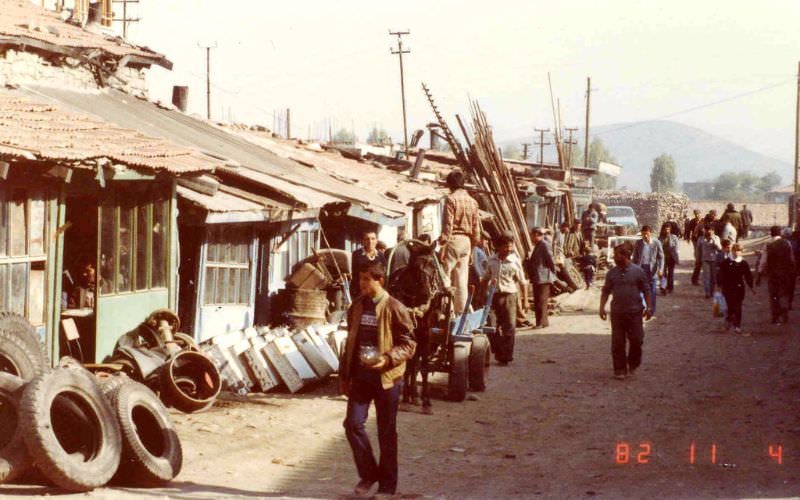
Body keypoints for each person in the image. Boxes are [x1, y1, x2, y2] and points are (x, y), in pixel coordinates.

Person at [340, 262, 416, 498]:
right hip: (361, 378)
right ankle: (369, 473)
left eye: (366, 279)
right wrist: (344, 375)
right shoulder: (357, 306)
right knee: (352, 424)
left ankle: (387, 486)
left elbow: (409, 344)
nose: (361, 284)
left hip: (387, 379)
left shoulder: (395, 307)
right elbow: (349, 344)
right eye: (360, 279)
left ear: (379, 281)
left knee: (386, 433)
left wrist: (388, 359)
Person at [599, 242, 653, 380]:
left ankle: (633, 363)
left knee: (637, 340)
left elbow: (646, 289)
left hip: (635, 312)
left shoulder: (638, 271)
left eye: (616, 254)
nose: (614, 257)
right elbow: (605, 291)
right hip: (617, 312)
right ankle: (620, 369)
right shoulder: (612, 273)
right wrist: (601, 307)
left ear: (625, 255)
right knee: (617, 342)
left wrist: (649, 307)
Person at [439, 169, 481, 315]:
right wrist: (473, 245)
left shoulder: (450, 199)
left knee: (445, 277)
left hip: (453, 240)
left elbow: (447, 226)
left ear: (450, 184)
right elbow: (476, 230)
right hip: (467, 242)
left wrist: (443, 243)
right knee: (462, 280)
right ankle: (461, 313)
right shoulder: (473, 201)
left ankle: (447, 311)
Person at [483, 232, 527, 364]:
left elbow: (522, 282)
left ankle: (505, 356)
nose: (508, 249)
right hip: (493, 296)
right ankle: (497, 349)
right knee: (490, 325)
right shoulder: (491, 260)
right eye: (506, 247)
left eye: (510, 246)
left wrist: (525, 301)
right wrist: (482, 294)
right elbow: (485, 278)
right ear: (498, 247)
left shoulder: (514, 261)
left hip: (509, 296)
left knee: (509, 327)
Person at [759, 226, 796, 324]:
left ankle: (775, 316)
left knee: (774, 294)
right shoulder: (787, 243)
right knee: (784, 292)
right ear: (780, 234)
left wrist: (760, 273)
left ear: (771, 233)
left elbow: (764, 261)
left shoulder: (768, 244)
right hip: (785, 273)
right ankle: (784, 308)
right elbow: (791, 258)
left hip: (773, 273)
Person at [717, 243, 755, 335]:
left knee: (738, 306)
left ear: (742, 252)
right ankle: (729, 319)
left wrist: (751, 287)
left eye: (739, 251)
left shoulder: (743, 263)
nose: (737, 253)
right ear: (732, 251)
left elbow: (748, 276)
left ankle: (737, 326)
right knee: (729, 305)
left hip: (739, 288)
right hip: (727, 287)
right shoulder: (726, 262)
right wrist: (719, 284)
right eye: (735, 251)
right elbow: (720, 274)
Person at [526, 227, 556, 329]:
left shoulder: (544, 245)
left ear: (536, 235)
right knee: (539, 300)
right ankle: (543, 322)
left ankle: (541, 323)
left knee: (541, 300)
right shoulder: (538, 245)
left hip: (542, 277)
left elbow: (550, 259)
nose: (531, 238)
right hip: (538, 277)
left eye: (532, 235)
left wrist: (552, 272)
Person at [632, 225, 664, 316]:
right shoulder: (638, 243)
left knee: (652, 291)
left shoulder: (656, 243)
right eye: (643, 234)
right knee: (640, 289)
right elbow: (635, 258)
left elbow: (661, 257)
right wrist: (633, 269)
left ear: (650, 233)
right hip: (641, 268)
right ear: (641, 234)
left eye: (647, 234)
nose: (645, 236)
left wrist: (660, 269)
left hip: (652, 270)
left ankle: (651, 310)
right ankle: (643, 308)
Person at [351, 231, 387, 300]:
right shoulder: (357, 255)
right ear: (363, 241)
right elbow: (355, 276)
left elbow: (383, 275)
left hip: (376, 292)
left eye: (373, 239)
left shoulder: (381, 255)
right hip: (361, 292)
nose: (370, 241)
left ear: (376, 241)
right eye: (367, 239)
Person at [697, 226, 722, 299]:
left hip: (714, 260)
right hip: (705, 260)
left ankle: (712, 292)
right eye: (708, 230)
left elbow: (719, 249)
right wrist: (698, 259)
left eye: (711, 230)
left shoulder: (716, 238)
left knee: (713, 277)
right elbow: (698, 249)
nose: (709, 232)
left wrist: (713, 240)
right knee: (706, 277)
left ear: (713, 231)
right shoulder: (701, 238)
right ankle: (707, 293)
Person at [659, 223, 680, 294]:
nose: (667, 230)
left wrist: (676, 257)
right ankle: (663, 287)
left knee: (670, 273)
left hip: (671, 258)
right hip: (663, 258)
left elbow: (676, 248)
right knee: (663, 273)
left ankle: (670, 287)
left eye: (668, 229)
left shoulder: (674, 237)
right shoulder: (660, 238)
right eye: (665, 229)